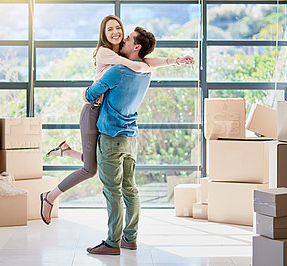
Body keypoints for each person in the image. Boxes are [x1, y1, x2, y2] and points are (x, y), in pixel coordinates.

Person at [40, 15, 194, 225]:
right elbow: (135, 64)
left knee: (94, 163)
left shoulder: (121, 53)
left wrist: (174, 61)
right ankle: (49, 197)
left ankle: (66, 151)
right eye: (110, 29)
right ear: (103, 33)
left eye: (120, 29)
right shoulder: (107, 53)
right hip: (92, 109)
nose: (117, 34)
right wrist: (143, 66)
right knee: (89, 169)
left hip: (102, 110)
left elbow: (145, 61)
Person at [85, 26, 156, 255]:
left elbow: (90, 94)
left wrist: (91, 87)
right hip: (131, 137)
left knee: (112, 191)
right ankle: (130, 239)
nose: (123, 39)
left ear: (136, 47)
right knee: (130, 189)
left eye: (128, 39)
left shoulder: (117, 71)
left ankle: (112, 243)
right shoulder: (146, 71)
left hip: (111, 136)